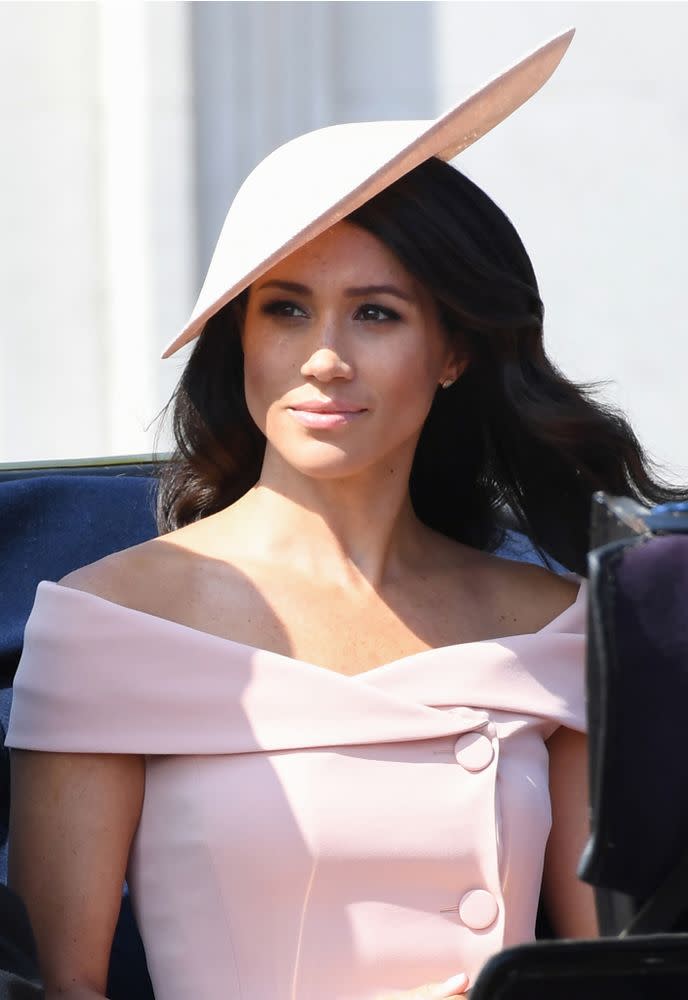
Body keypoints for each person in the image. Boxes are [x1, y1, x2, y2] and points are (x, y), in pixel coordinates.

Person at [5, 29, 683, 1000]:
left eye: (375, 312)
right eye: (284, 309)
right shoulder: (106, 622)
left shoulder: (555, 625)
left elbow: (612, 973)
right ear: (240, 338)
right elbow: (62, 987)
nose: (323, 355)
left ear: (451, 352)